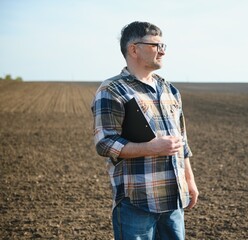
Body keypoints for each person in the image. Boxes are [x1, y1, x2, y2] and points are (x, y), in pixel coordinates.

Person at [91, 21, 198, 240]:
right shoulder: (112, 90)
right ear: (133, 49)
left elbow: (182, 142)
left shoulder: (169, 89)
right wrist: (151, 148)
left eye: (163, 45)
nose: (162, 51)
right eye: (156, 45)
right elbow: (105, 143)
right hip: (137, 201)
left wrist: (189, 181)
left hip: (173, 200)